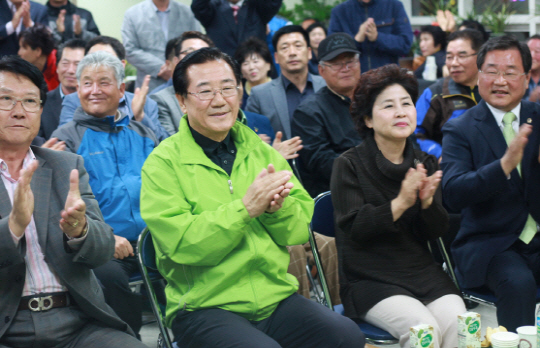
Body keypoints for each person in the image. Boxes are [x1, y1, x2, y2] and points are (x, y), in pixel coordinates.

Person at [140, 47, 365, 348]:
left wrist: (276, 210)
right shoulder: (162, 163)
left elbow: (300, 230)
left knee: (347, 336)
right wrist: (245, 209)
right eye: (205, 91)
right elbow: (182, 246)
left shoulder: (263, 152)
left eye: (228, 88)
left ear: (241, 91)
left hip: (274, 296)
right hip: (204, 306)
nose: (219, 101)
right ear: (181, 101)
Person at [0, 55, 148, 348]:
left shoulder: (64, 165)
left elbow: (101, 250)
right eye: (6, 99)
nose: (19, 111)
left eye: (30, 101)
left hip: (77, 321)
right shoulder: (71, 136)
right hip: (8, 327)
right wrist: (14, 226)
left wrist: (80, 231)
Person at [331, 64, 465, 348]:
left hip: (420, 272)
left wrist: (427, 203)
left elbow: (436, 231)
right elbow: (355, 228)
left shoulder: (424, 162)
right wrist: (401, 202)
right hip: (369, 278)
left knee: (462, 325)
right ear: (367, 119)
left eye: (406, 103)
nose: (401, 112)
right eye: (388, 106)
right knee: (424, 331)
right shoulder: (349, 164)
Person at [51, 51, 158, 337]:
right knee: (108, 278)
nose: (94, 91)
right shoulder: (66, 138)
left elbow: (165, 189)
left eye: (104, 82)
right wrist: (105, 236)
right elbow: (63, 202)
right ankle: (129, 339)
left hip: (155, 239)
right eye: (87, 83)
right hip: (104, 245)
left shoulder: (144, 134)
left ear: (122, 89)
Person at [441, 35, 540, 332]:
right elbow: (452, 194)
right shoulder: (460, 128)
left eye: (510, 72)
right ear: (478, 75)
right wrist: (504, 166)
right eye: (491, 71)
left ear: (526, 79)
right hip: (491, 244)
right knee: (518, 284)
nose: (500, 80)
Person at [58, 36, 169, 141]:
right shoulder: (73, 101)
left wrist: (140, 117)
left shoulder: (147, 104)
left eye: (106, 59)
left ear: (122, 65)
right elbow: (65, 142)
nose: (98, 65)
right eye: (92, 59)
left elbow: (163, 145)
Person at [292, 32, 362, 198]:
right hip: (341, 195)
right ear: (321, 71)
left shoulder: (376, 100)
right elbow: (323, 164)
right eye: (336, 64)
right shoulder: (308, 112)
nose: (345, 68)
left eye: (350, 61)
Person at [246, 25, 326, 140]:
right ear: (276, 57)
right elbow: (249, 138)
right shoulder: (260, 95)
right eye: (285, 48)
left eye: (298, 46)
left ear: (309, 52)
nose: (292, 53)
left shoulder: (327, 85)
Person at [415, 29, 484, 158]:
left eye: (462, 56)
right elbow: (414, 134)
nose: (454, 63)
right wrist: (440, 154)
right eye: (449, 57)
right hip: (451, 168)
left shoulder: (494, 90)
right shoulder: (435, 94)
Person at [122, 0, 201, 91]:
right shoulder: (133, 14)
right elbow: (129, 49)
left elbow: (198, 44)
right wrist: (160, 67)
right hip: (150, 83)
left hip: (185, 80)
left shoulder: (187, 12)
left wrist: (175, 67)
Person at [150, 31, 214, 135]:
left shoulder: (222, 92)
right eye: (190, 53)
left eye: (204, 53)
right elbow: (169, 143)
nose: (198, 58)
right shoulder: (161, 100)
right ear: (176, 61)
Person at [328, 0, 413, 73]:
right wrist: (356, 40)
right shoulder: (340, 12)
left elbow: (405, 44)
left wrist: (377, 37)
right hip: (352, 80)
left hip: (388, 79)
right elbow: (332, 49)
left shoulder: (394, 6)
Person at [191, 0, 281, 57]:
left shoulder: (257, 6)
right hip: (223, 69)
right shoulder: (213, 7)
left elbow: (274, 3)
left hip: (257, 68)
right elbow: (197, 5)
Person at [39, 38, 85, 141]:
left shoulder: (96, 102)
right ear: (57, 67)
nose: (70, 70)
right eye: (65, 63)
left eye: (77, 65)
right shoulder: (42, 102)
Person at [234, 36, 275, 107]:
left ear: (268, 65)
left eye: (255, 61)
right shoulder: (238, 98)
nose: (251, 67)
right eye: (245, 63)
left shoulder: (281, 91)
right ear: (241, 72)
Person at [18, 24, 59, 91]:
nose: (19, 53)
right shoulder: (31, 70)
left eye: (24, 48)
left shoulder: (59, 66)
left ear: (38, 51)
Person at [525, 35, 540, 102]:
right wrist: (531, 100)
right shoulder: (519, 77)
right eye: (528, 51)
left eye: (537, 51)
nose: (532, 56)